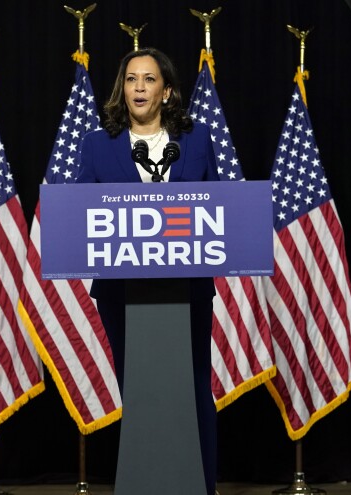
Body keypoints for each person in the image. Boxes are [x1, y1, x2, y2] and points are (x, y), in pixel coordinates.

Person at [76, 48, 219, 494]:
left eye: (149, 79)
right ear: (123, 88)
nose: (139, 87)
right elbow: (79, 214)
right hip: (122, 291)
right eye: (132, 79)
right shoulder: (97, 144)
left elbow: (217, 207)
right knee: (138, 387)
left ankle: (201, 485)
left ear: (168, 91)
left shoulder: (196, 141)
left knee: (193, 388)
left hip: (187, 288)